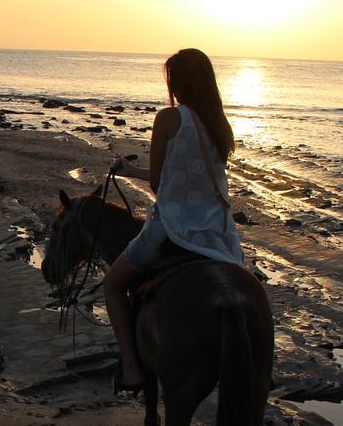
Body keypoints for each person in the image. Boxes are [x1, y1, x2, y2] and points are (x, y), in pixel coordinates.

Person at [105, 48, 244, 392]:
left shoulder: (168, 118)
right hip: (218, 232)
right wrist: (130, 171)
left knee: (112, 283)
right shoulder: (219, 123)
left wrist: (127, 170)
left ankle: (133, 369)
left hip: (171, 227)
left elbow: (157, 182)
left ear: (176, 82)